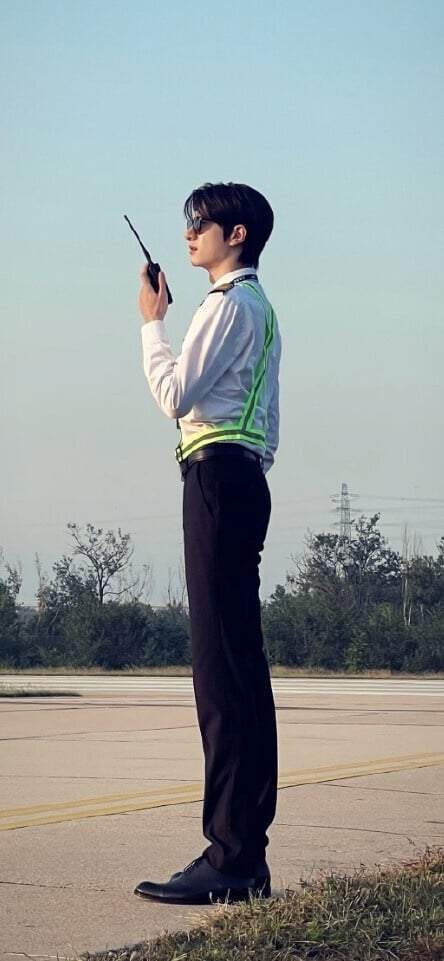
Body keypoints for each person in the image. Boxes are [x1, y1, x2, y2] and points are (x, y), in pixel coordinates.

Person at [134, 181, 281, 905]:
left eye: (201, 221)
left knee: (221, 673)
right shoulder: (255, 307)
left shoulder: (227, 306)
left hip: (218, 479)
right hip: (238, 477)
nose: (189, 232)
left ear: (237, 234)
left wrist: (152, 325)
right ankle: (242, 853)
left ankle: (231, 857)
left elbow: (175, 396)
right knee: (239, 668)